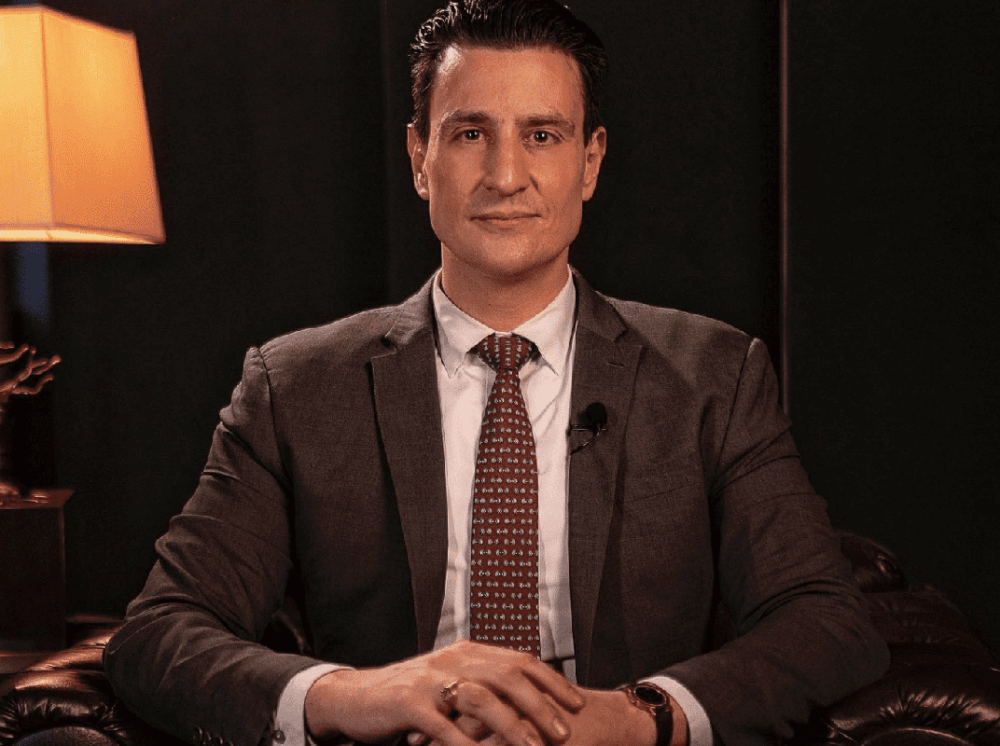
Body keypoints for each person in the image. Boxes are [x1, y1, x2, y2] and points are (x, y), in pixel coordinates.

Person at [104, 2, 889, 745]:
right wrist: (359, 695)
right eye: (470, 133)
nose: (505, 174)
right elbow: (159, 632)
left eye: (542, 135)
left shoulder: (715, 377)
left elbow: (824, 620)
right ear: (420, 159)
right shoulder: (294, 388)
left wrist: (635, 718)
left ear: (590, 162)